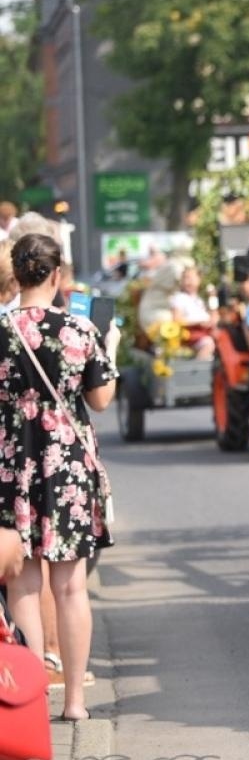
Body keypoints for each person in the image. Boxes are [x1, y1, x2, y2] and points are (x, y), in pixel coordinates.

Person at [0, 232, 117, 721]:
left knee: (22, 587)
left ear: (17, 273)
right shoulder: (78, 330)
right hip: (66, 465)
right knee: (71, 589)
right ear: (55, 275)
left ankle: (30, 701)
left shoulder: (0, 330)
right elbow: (101, 401)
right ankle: (74, 703)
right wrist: (109, 343)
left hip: (10, 464)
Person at [169, 264, 217, 360]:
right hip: (191, 334)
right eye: (185, 278)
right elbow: (177, 320)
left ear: (199, 280)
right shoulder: (179, 298)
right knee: (208, 343)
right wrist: (198, 323)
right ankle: (197, 371)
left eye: (190, 278)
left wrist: (213, 297)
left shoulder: (199, 300)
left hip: (205, 332)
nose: (187, 282)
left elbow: (214, 316)